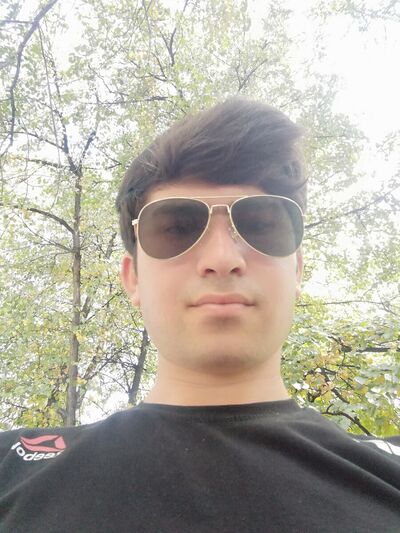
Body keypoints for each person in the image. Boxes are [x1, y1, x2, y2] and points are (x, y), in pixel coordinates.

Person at [0, 98, 399, 532]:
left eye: (260, 225)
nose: (222, 259)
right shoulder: (11, 470)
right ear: (133, 278)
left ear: (297, 269)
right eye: (176, 228)